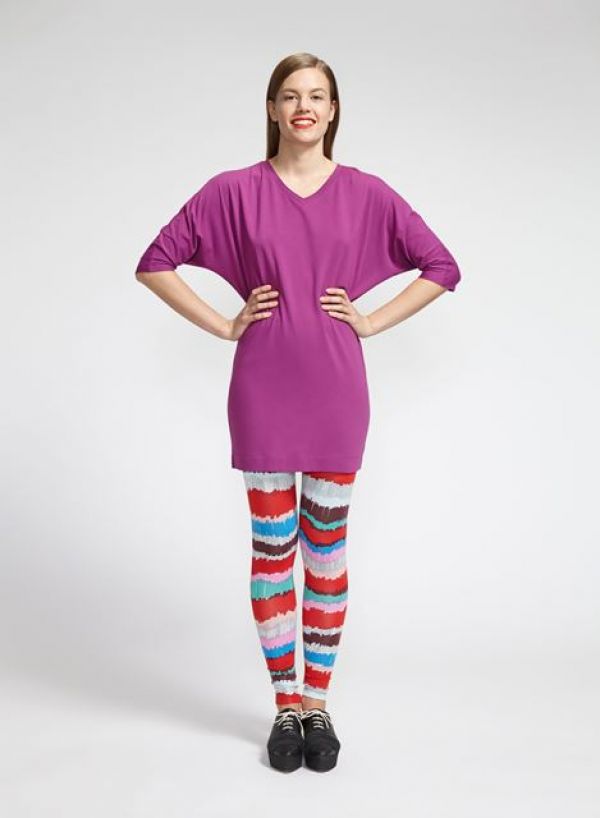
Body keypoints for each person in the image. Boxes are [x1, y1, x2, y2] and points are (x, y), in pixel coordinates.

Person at [134, 52, 461, 773]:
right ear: (272, 109)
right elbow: (155, 262)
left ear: (334, 110)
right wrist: (225, 325)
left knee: (327, 549)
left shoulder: (367, 193)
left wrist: (370, 320)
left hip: (338, 392)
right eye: (290, 95)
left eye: (316, 95)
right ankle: (286, 705)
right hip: (263, 388)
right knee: (273, 548)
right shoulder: (234, 191)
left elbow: (442, 267)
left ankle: (319, 704)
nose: (303, 107)